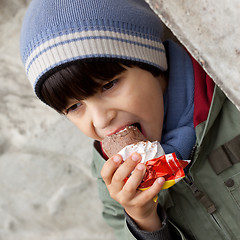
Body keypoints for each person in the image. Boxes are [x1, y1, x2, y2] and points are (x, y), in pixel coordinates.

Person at [20, 0, 240, 239]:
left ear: (152, 63)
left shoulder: (228, 91)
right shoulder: (113, 183)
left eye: (109, 85)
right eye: (74, 106)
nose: (101, 120)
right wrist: (144, 220)